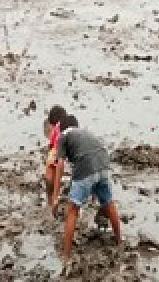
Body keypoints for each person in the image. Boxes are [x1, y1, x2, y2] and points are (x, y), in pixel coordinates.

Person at [48, 114, 121, 267]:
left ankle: (66, 256)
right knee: (108, 203)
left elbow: (60, 165)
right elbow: (94, 153)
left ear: (62, 128)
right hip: (103, 165)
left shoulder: (63, 136)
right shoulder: (86, 133)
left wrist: (55, 197)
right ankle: (119, 240)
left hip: (86, 168)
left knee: (72, 211)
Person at [43, 105, 68, 207]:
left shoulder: (56, 129)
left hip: (57, 151)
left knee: (50, 172)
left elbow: (52, 146)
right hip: (70, 151)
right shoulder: (70, 124)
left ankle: (50, 198)